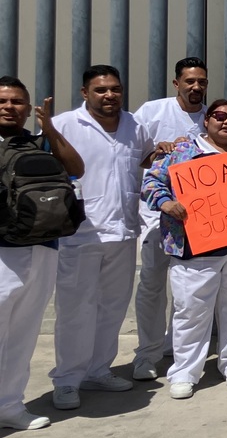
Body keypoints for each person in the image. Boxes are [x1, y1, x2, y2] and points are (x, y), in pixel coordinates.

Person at [141, 100, 227, 400]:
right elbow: (151, 183)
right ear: (207, 120)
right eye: (220, 116)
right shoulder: (182, 152)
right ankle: (185, 371)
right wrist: (166, 203)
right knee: (192, 310)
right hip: (195, 245)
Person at [49, 65, 151, 410]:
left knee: (113, 307)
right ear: (85, 93)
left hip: (122, 231)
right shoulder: (64, 125)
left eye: (115, 89)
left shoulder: (135, 126)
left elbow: (147, 159)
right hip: (79, 234)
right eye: (101, 90)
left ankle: (98, 369)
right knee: (75, 309)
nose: (110, 95)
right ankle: (66, 379)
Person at [0, 77, 82, 430]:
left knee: (24, 332)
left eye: (17, 101)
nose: (9, 107)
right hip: (3, 253)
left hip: (43, 247)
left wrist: (48, 128)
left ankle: (10, 406)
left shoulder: (38, 142)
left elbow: (76, 168)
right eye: (3, 101)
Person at [130, 56, 208, 381]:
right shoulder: (152, 112)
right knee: (152, 282)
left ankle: (175, 348)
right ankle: (146, 354)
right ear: (177, 83)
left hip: (195, 219)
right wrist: (155, 152)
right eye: (189, 81)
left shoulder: (212, 117)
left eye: (201, 81)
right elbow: (133, 157)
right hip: (157, 214)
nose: (196, 87)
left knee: (186, 286)